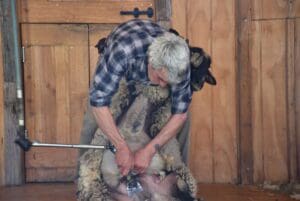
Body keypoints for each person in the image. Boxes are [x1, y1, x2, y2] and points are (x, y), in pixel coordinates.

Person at [80, 19, 191, 177]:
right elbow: (98, 102)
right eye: (160, 78)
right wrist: (121, 147)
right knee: (92, 119)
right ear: (152, 64)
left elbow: (180, 114)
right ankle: (86, 180)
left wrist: (149, 150)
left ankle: (180, 179)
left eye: (168, 82)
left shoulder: (181, 63)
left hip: (148, 61)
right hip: (123, 66)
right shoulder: (122, 52)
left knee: (184, 119)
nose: (162, 85)